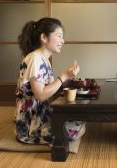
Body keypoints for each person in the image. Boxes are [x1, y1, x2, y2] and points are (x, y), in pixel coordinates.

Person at [14, 17, 85, 146]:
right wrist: (63, 76)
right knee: (78, 127)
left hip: (42, 115)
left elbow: (49, 90)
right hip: (31, 125)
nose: (63, 41)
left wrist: (68, 78)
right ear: (44, 38)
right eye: (59, 36)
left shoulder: (43, 59)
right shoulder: (35, 59)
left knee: (80, 121)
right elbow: (41, 95)